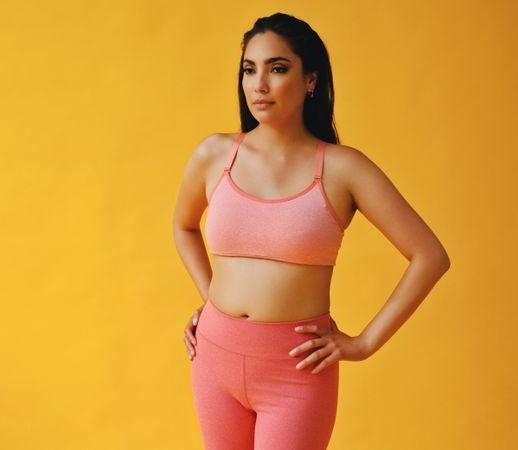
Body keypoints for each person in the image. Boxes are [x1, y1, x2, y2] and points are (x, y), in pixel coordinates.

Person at [171, 12, 450, 450]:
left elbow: (429, 256)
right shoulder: (214, 154)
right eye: (249, 69)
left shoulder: (342, 169)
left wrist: (364, 343)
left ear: (310, 80)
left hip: (294, 371)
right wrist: (212, 301)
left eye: (277, 68)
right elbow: (183, 225)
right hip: (214, 358)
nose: (259, 84)